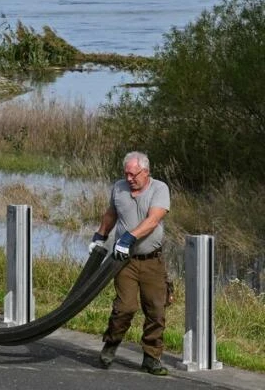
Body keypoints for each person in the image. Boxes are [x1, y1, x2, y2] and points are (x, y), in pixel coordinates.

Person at [89, 151, 170, 376]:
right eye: (126, 174)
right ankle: (111, 343)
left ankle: (152, 358)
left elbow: (153, 220)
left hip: (152, 260)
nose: (129, 178)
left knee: (156, 310)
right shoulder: (119, 188)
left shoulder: (159, 189)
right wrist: (100, 236)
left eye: (133, 174)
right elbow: (111, 213)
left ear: (146, 172)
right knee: (125, 307)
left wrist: (128, 237)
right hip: (123, 261)